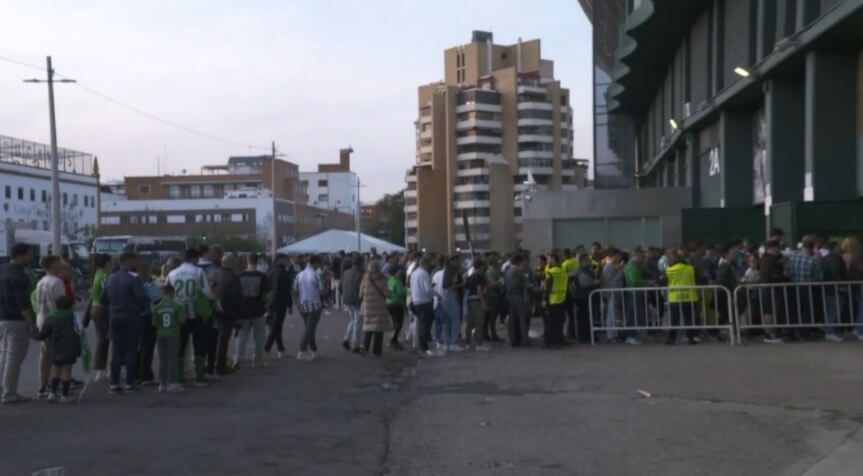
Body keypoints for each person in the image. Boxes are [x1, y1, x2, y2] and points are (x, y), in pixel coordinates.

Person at [102, 252, 148, 394]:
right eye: (135, 261)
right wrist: (143, 309)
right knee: (131, 350)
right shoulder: (134, 279)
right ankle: (129, 383)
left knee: (116, 350)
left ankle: (114, 383)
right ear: (128, 261)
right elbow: (141, 297)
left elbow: (104, 299)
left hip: (114, 316)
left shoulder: (110, 278)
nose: (136, 264)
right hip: (131, 316)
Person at [167, 248, 213, 387]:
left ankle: (180, 376)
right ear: (194, 258)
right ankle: (199, 377)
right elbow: (207, 292)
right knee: (199, 344)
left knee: (180, 345)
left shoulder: (172, 273)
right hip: (196, 313)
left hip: (179, 313)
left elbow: (167, 292)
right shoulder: (198, 272)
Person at [0, 243, 35, 404]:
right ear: (20, 255)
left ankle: (4, 390)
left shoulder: (2, 270)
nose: (30, 257)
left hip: (3, 318)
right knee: (14, 358)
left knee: (4, 356)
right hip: (16, 320)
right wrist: (31, 323)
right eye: (28, 254)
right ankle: (9, 394)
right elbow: (23, 303)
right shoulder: (19, 276)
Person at [34, 296, 80, 403]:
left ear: (56, 306)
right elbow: (80, 331)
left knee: (55, 370)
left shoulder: (50, 318)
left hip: (55, 348)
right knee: (67, 371)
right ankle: (65, 395)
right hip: (70, 348)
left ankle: (52, 393)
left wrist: (33, 331)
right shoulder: (73, 317)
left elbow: (42, 335)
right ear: (70, 306)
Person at [35, 255, 67, 399]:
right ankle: (53, 385)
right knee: (56, 355)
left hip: (41, 319)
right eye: (58, 262)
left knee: (44, 355)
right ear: (52, 264)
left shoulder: (40, 281)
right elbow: (62, 304)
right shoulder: (57, 282)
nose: (61, 264)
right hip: (54, 320)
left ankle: (43, 385)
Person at [235, 253, 270, 368]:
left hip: (243, 310)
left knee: (242, 336)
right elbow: (267, 294)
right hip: (258, 309)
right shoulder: (262, 276)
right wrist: (266, 305)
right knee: (259, 337)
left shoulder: (239, 276)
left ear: (247, 261)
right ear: (257, 261)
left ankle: (238, 359)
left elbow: (236, 294)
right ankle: (258, 360)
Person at [151, 285, 187, 392]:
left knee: (163, 359)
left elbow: (154, 323)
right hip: (173, 333)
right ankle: (172, 382)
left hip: (161, 334)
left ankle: (162, 384)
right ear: (173, 293)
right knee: (172, 359)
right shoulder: (178, 306)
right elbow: (182, 320)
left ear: (162, 293)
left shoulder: (157, 307)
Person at [212, 255, 241, 375]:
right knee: (223, 340)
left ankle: (211, 364)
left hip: (213, 310)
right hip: (227, 313)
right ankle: (221, 366)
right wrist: (239, 314)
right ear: (232, 264)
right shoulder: (233, 277)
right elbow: (236, 298)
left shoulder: (213, 274)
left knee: (213, 339)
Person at [665, 251, 700, 345]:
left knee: (674, 320)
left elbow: (664, 281)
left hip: (674, 298)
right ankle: (690, 338)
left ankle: (671, 338)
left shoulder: (669, 270)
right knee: (688, 318)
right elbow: (698, 279)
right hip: (689, 296)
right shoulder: (691, 268)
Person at [294, 254, 323, 361]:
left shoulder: (299, 275)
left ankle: (314, 350)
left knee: (309, 328)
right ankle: (302, 350)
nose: (319, 266)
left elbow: (295, 290)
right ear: (315, 262)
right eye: (319, 263)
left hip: (302, 304)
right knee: (310, 329)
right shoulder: (316, 275)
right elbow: (322, 290)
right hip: (314, 304)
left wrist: (297, 301)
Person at [88, 253, 112, 382]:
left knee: (102, 338)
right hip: (102, 309)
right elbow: (107, 293)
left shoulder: (97, 274)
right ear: (107, 262)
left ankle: (100, 369)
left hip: (96, 308)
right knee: (105, 338)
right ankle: (102, 369)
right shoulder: (104, 276)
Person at [266, 255, 296, 357]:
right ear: (282, 260)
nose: (288, 262)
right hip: (280, 302)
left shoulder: (271, 271)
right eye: (287, 260)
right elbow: (286, 290)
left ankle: (280, 348)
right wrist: (290, 305)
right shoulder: (284, 273)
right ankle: (267, 347)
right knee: (277, 326)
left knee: (275, 325)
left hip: (271, 301)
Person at [360, 261, 391, 357]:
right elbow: (387, 294)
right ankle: (376, 351)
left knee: (368, 327)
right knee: (378, 329)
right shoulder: (382, 278)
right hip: (379, 307)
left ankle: (364, 347)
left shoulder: (365, 278)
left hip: (368, 306)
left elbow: (360, 294)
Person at [137, 263, 161, 385]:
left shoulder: (133, 284)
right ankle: (145, 374)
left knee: (138, 347)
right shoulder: (147, 286)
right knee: (148, 347)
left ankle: (137, 373)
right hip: (147, 317)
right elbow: (157, 298)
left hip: (135, 318)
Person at [760, 241, 786, 344]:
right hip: (770, 289)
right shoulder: (770, 260)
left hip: (769, 288)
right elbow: (769, 275)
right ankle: (769, 333)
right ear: (772, 248)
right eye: (777, 248)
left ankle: (770, 332)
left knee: (770, 311)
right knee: (770, 312)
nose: (779, 250)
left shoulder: (766, 259)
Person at [409, 256, 435, 356]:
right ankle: (423, 347)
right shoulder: (424, 274)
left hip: (415, 301)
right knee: (425, 326)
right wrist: (436, 295)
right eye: (428, 264)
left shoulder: (414, 273)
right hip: (424, 302)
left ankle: (421, 345)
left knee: (420, 324)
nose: (429, 266)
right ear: (425, 264)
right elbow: (428, 289)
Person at [464, 259, 490, 351]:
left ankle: (467, 343)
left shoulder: (471, 276)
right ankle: (478, 344)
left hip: (469, 300)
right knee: (479, 322)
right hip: (477, 301)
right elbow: (479, 289)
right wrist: (483, 302)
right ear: (481, 266)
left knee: (470, 323)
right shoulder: (480, 276)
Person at [504, 254, 530, 347]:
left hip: (509, 296)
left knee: (512, 319)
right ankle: (525, 340)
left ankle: (513, 340)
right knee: (522, 319)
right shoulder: (519, 271)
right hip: (518, 296)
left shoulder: (507, 271)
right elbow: (526, 285)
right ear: (519, 261)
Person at [441, 254, 465, 352]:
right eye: (460, 260)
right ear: (455, 260)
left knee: (447, 321)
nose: (461, 262)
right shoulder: (453, 270)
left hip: (445, 297)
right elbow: (451, 285)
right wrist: (463, 284)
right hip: (452, 296)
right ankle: (454, 342)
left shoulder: (447, 269)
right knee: (455, 320)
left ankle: (447, 342)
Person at [622, 249, 646, 345]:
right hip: (633, 293)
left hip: (634, 293)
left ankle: (632, 334)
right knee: (633, 315)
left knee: (633, 314)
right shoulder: (631, 267)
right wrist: (645, 282)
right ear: (636, 256)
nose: (643, 259)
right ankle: (631, 335)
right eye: (642, 257)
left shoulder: (632, 266)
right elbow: (633, 281)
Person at [543, 255, 567, 348]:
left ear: (554, 260)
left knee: (550, 322)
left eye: (550, 259)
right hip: (562, 299)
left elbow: (548, 287)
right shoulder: (563, 271)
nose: (548, 261)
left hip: (552, 300)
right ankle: (559, 340)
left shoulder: (551, 272)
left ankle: (550, 342)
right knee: (559, 322)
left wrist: (544, 299)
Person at [573, 254, 598, 344]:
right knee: (584, 318)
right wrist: (595, 282)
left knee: (588, 317)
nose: (589, 261)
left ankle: (589, 335)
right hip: (583, 297)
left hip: (586, 296)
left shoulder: (588, 270)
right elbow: (584, 283)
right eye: (587, 260)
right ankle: (585, 336)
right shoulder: (581, 271)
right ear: (582, 261)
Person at [342, 255, 364, 353]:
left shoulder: (346, 272)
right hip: (357, 300)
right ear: (361, 263)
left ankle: (347, 339)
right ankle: (356, 345)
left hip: (347, 300)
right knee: (357, 323)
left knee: (352, 320)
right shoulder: (361, 274)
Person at [386, 265, 407, 350]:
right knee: (399, 323)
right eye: (399, 271)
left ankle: (394, 338)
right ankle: (394, 339)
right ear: (396, 272)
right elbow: (400, 293)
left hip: (389, 303)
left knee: (395, 322)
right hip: (397, 303)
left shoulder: (389, 280)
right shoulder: (398, 282)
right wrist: (406, 290)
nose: (400, 272)